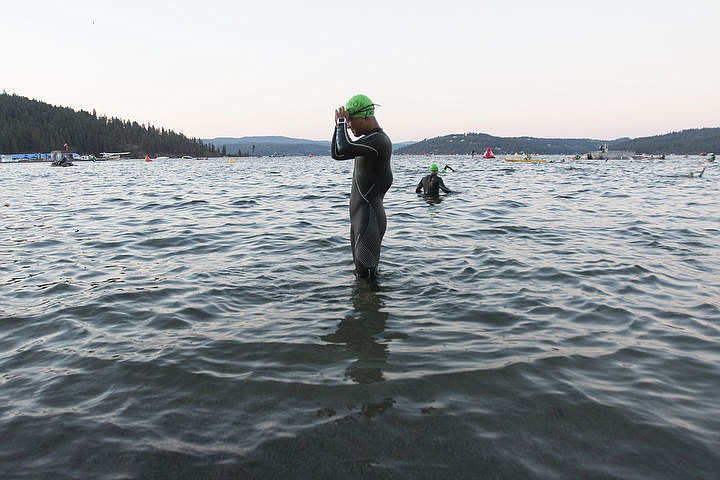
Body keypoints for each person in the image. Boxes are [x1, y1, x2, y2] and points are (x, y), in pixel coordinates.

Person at [332, 94, 393, 280]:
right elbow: (337, 153)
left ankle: (372, 308)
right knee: (362, 278)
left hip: (369, 219)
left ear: (365, 116)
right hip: (359, 219)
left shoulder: (379, 141)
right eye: (347, 122)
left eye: (351, 120)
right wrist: (338, 126)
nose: (349, 125)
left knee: (367, 279)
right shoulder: (368, 142)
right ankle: (363, 308)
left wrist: (342, 122)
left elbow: (344, 147)